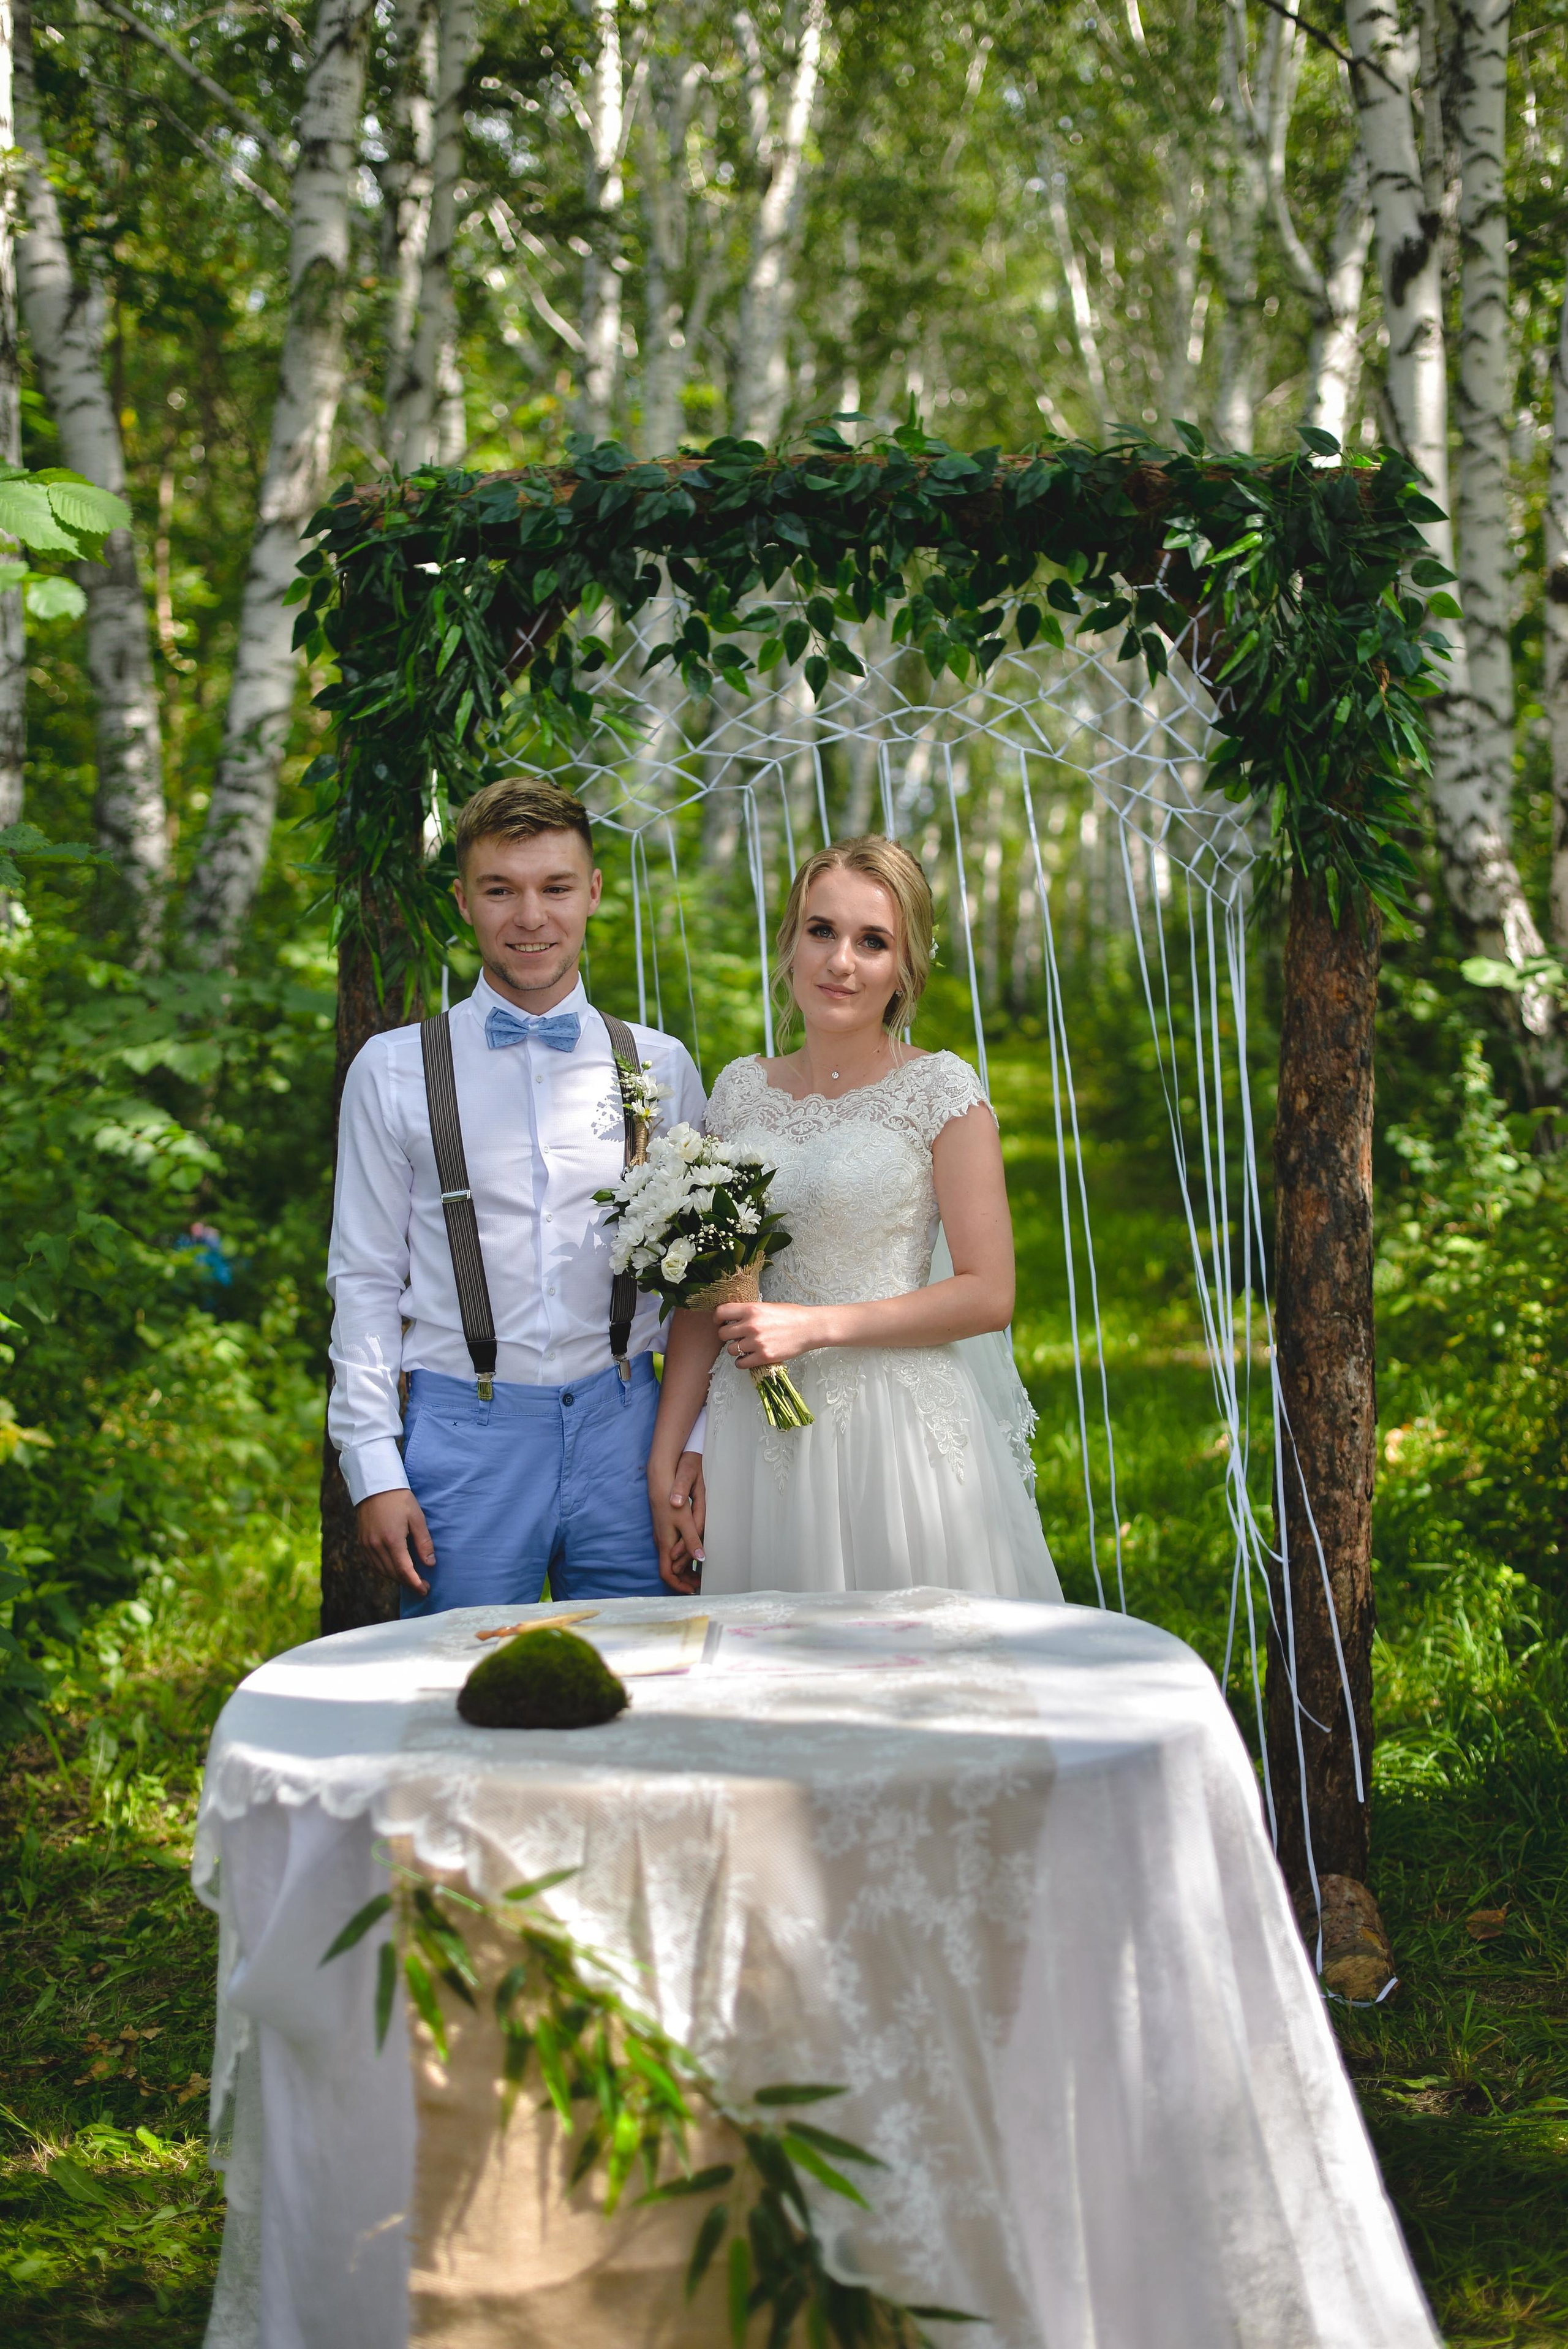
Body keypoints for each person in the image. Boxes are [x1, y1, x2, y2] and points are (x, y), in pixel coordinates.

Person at [326, 775, 707, 1614]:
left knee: (648, 1680)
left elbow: (700, 1284)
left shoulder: (660, 1065)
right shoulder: (392, 1070)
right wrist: (373, 1464)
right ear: (464, 901)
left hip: (630, 1422)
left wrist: (696, 1444)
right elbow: (362, 1282)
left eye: (556, 887)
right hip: (464, 1432)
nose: (530, 915)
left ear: (594, 893)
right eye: (501, 889)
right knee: (454, 1693)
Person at [647, 834, 1061, 1602]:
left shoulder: (942, 1091)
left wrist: (815, 1326)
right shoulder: (738, 1091)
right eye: (821, 931)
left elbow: (987, 1293)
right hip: (754, 1430)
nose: (841, 961)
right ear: (791, 942)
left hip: (891, 1431)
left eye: (872, 942)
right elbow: (705, 1287)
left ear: (905, 969)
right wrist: (670, 1453)